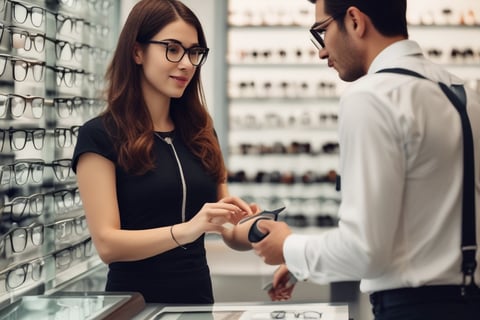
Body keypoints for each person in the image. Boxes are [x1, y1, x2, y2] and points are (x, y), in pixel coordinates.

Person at [252, 0, 480, 319]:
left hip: (412, 309)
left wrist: (287, 246)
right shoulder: (461, 93)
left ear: (355, 20)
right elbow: (423, 221)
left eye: (322, 31)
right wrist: (301, 265)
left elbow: (365, 250)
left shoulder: (372, 97)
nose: (320, 51)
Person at [72, 0, 257, 304]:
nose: (186, 63)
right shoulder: (100, 135)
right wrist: (188, 230)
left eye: (194, 52)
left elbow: (225, 227)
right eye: (172, 48)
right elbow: (108, 244)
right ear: (137, 52)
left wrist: (256, 228)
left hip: (197, 305)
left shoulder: (201, 131)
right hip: (134, 306)